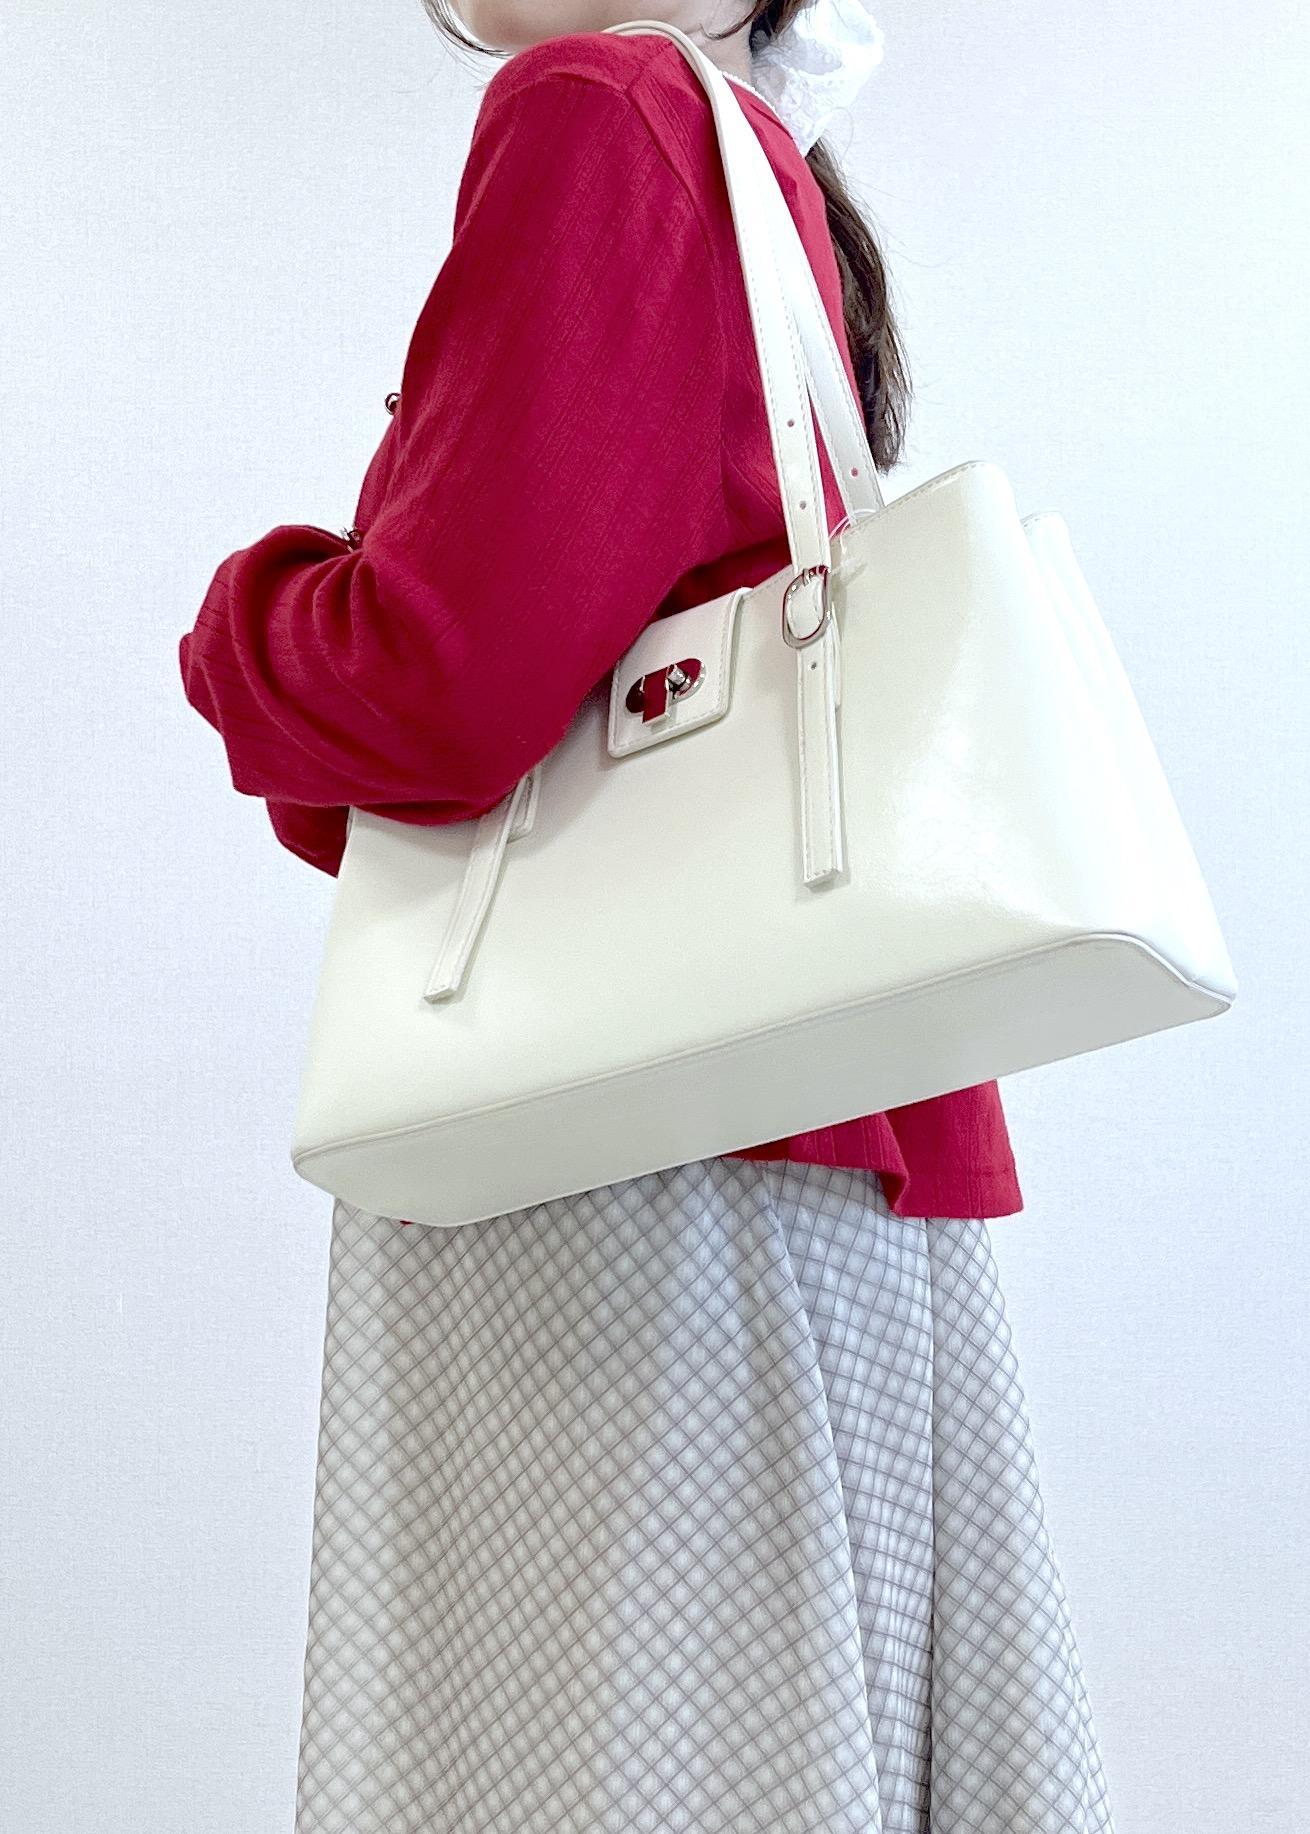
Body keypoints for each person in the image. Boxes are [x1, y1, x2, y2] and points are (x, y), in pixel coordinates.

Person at [179, 5, 1117, 1829]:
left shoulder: (600, 108)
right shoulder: (740, 143)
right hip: (808, 1135)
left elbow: (439, 687)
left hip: (628, 1174)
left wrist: (240, 629)